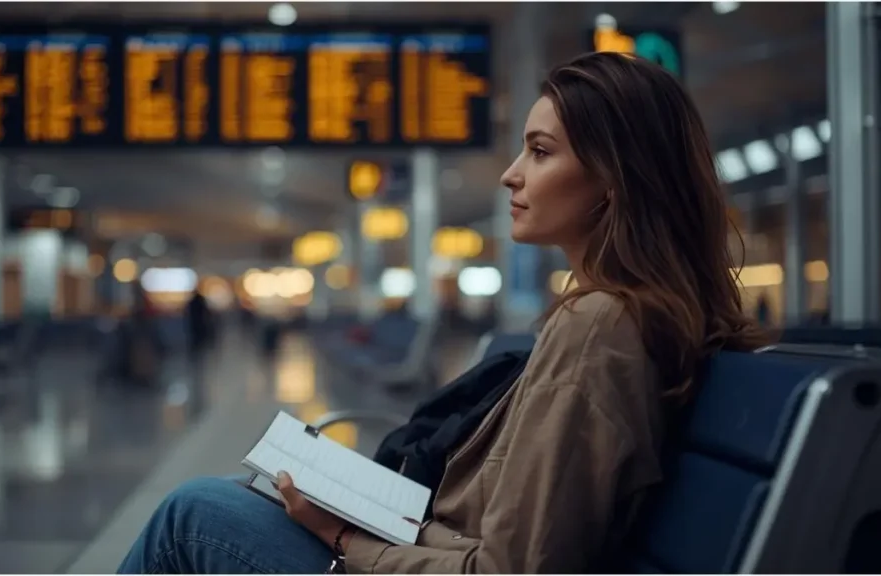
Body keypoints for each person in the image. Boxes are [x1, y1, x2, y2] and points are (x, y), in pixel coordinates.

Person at [116, 52, 768, 574]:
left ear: (614, 181)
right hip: (435, 538)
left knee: (192, 513)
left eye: (540, 153)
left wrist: (342, 534)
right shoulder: (631, 316)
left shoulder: (602, 326)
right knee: (239, 493)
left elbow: (511, 569)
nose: (512, 174)